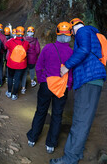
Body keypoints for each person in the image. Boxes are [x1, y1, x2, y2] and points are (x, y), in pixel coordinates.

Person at [50, 18, 107, 164]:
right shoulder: (91, 32)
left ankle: (70, 158)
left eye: (71, 32)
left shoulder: (82, 31)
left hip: (88, 78)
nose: (72, 35)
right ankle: (77, 152)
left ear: (73, 27)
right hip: (94, 79)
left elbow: (83, 50)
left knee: (80, 119)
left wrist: (66, 66)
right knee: (85, 119)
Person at [27, 22, 73, 154]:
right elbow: (71, 73)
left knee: (41, 111)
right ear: (69, 35)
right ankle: (51, 144)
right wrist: (68, 85)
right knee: (57, 115)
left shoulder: (48, 48)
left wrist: (42, 80)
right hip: (62, 87)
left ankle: (32, 138)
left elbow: (39, 66)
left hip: (47, 85)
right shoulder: (71, 52)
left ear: (57, 34)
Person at [5, 26, 30, 100]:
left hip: (11, 64)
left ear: (15, 32)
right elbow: (27, 49)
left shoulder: (10, 41)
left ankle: (9, 92)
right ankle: (14, 95)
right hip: (21, 65)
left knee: (10, 77)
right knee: (17, 79)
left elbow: (6, 47)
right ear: (23, 33)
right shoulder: (26, 43)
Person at [21, 26, 41, 94]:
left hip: (24, 58)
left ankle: (23, 88)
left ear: (27, 32)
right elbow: (38, 50)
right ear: (33, 32)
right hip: (32, 58)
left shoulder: (23, 39)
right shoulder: (35, 40)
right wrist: (35, 55)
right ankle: (32, 81)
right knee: (32, 69)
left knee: (24, 73)